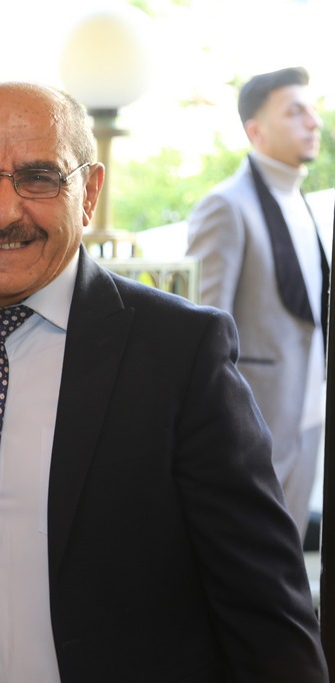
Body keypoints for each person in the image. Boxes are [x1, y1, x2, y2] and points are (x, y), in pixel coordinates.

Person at [0, 81, 326, 682]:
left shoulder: (178, 356)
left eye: (39, 178)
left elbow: (266, 616)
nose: (2, 212)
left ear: (90, 192)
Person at [186, 66, 328, 540]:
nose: (313, 122)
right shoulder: (226, 205)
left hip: (307, 418)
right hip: (254, 425)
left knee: (288, 556)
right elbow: (204, 334)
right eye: (295, 111)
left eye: (312, 111)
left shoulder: (300, 202)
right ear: (255, 130)